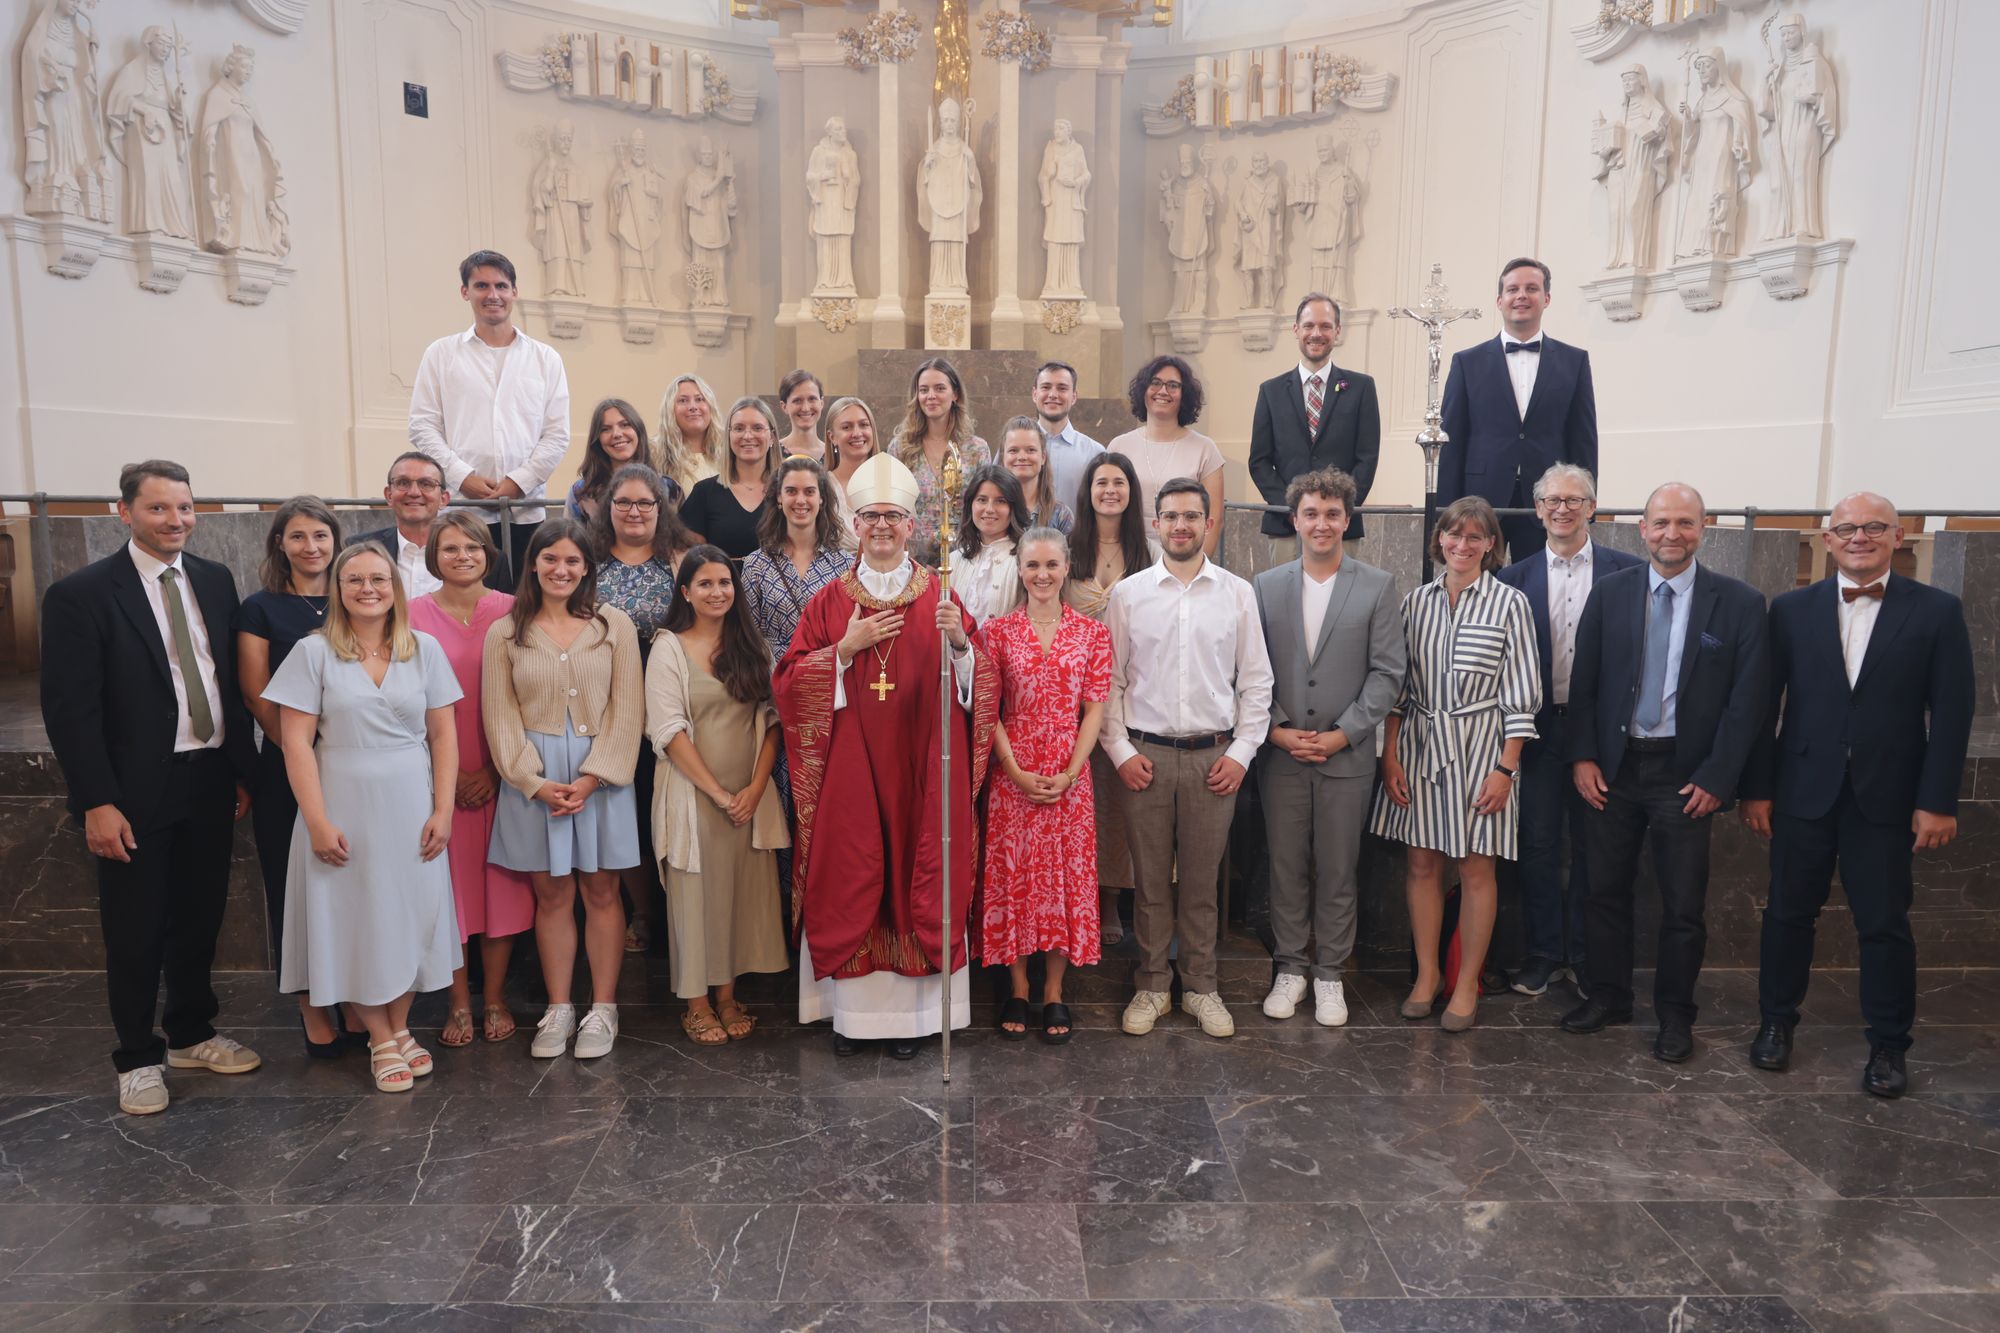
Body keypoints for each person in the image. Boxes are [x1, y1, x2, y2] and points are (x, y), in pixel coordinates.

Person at [43, 460, 262, 1115]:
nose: (176, 521)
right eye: (160, 508)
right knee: (135, 928)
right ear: (125, 512)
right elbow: (70, 711)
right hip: (133, 791)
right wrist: (96, 801)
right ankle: (137, 1056)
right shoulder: (81, 594)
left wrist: (240, 770)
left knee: (199, 917)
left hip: (208, 780)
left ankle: (192, 1032)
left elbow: (224, 681)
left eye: (186, 508)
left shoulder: (215, 580)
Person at [1740, 494, 1974, 1098]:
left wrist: (1938, 800)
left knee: (1884, 925)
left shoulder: (1938, 612)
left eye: (1874, 527)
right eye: (1847, 528)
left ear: (1900, 536)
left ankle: (1891, 1047)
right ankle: (1775, 1024)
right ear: (1826, 539)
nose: (1860, 537)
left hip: (1890, 799)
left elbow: (1951, 714)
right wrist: (1758, 790)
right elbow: (1765, 708)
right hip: (1801, 793)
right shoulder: (1789, 610)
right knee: (1788, 915)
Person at [773, 453, 1000, 1060]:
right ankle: (852, 1018)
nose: (881, 526)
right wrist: (841, 653)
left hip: (921, 767)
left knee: (916, 872)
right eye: (870, 515)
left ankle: (916, 1021)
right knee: (853, 871)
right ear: (854, 523)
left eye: (893, 517)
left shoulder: (941, 596)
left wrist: (960, 645)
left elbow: (983, 685)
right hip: (851, 771)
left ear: (911, 524)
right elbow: (790, 683)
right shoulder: (827, 603)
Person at [1563, 483, 1769, 1064]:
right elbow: (1586, 684)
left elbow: (1747, 704)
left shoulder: (1739, 603)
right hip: (1614, 767)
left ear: (1704, 528)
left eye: (1684, 523)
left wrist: (1717, 777)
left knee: (1682, 905)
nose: (1671, 534)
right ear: (1642, 529)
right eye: (1660, 523)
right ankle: (1608, 996)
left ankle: (1676, 1015)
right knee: (1602, 890)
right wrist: (1582, 756)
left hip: (1687, 775)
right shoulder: (1610, 594)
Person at [264, 543, 463, 1093]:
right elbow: (296, 744)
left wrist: (443, 810)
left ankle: (398, 1025)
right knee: (352, 919)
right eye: (355, 580)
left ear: (396, 588)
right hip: (341, 803)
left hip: (411, 803)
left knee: (411, 915)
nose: (368, 588)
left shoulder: (423, 649)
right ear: (339, 589)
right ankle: (379, 1035)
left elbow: (444, 735)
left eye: (379, 578)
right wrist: (317, 820)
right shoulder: (313, 653)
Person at [1105, 477, 1273, 1040]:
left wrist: (1243, 752)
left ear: (1208, 523)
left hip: (1213, 760)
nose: (1181, 525)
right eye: (1171, 515)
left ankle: (1201, 987)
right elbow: (1110, 682)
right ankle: (1153, 984)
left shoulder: (1235, 593)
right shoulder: (1128, 595)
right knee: (1151, 883)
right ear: (1155, 524)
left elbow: (1256, 681)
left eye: (1192, 516)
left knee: (1201, 883)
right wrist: (1121, 751)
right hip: (1145, 756)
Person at [1371, 497, 1540, 1032]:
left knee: (1475, 866)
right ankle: (1426, 976)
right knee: (1421, 863)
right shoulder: (1415, 602)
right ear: (1438, 540)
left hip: (1481, 749)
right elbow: (1398, 690)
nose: (1461, 545)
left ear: (1491, 544)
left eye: (1474, 537)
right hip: (1421, 745)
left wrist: (1506, 770)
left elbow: (1521, 697)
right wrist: (1390, 755)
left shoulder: (1511, 604)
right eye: (1452, 535)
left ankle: (1466, 980)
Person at [483, 520, 645, 1061]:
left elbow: (629, 709)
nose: (561, 570)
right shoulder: (505, 632)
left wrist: (594, 775)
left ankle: (603, 1008)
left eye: (573, 561)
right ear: (533, 564)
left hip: (601, 775)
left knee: (602, 890)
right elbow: (500, 716)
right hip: (533, 780)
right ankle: (559, 1007)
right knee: (551, 893)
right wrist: (532, 781)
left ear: (587, 569)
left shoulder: (613, 625)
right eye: (551, 559)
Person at [1254, 468, 1406, 1027]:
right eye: (1311, 513)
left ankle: (1330, 975)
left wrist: (1346, 732)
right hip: (1281, 754)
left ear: (1348, 519)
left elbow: (1388, 673)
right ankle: (1291, 968)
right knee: (1286, 865)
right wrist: (1274, 728)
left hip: (1348, 757)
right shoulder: (1265, 587)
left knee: (1339, 868)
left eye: (1333, 514)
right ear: (1294, 520)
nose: (1322, 523)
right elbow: (1250, 668)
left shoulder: (1377, 585)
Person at [1495, 464, 1643, 997]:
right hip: (1534, 732)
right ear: (1537, 510)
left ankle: (1585, 954)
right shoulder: (1512, 579)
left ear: (1591, 508)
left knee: (1593, 846)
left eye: (1574, 500)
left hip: (1603, 736)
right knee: (1536, 845)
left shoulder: (1628, 572)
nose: (1562, 508)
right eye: (1552, 500)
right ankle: (1543, 952)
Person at [648, 546, 790, 1044]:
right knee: (694, 896)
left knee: (737, 895)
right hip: (694, 796)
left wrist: (753, 789)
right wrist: (717, 792)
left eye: (725, 583)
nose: (716, 592)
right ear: (685, 592)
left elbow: (775, 722)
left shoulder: (754, 648)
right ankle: (697, 1003)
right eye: (705, 584)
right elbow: (667, 730)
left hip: (748, 798)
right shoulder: (668, 646)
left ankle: (728, 997)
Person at [981, 528, 1114, 1044]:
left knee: (1064, 881)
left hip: (1068, 774)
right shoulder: (996, 632)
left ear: (1066, 567)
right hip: (1013, 768)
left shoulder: (1091, 634)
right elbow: (987, 709)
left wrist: (1072, 771)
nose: (1042, 575)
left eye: (1051, 565)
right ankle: (1017, 986)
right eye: (1032, 565)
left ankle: (1054, 991)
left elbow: (1095, 708)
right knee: (1015, 881)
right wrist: (1013, 769)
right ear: (1019, 569)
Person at [408, 514, 535, 1046]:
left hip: (505, 768)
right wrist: (453, 775)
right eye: (450, 548)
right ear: (433, 555)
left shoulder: (513, 610)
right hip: (437, 774)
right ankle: (459, 1003)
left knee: (501, 886)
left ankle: (497, 997)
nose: (462, 556)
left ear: (489, 553)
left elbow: (532, 693)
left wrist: (496, 769)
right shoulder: (410, 615)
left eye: (473, 547)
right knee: (450, 891)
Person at [236, 497, 352, 1055]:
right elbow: (257, 693)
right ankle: (312, 1009)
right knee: (294, 888)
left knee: (351, 882)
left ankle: (355, 997)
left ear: (337, 541)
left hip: (354, 767)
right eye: (299, 537)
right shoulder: (261, 608)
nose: (312, 547)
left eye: (321, 536)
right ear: (280, 544)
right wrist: (300, 750)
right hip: (288, 768)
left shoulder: (357, 596)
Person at [408, 250, 572, 586]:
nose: (492, 295)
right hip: (464, 511)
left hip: (526, 510)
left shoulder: (545, 358)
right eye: (481, 285)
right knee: (468, 605)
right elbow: (422, 426)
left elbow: (556, 435)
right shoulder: (441, 354)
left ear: (514, 291)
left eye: (501, 285)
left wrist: (519, 481)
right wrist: (461, 476)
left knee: (528, 607)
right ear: (465, 292)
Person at [587, 463, 693, 953]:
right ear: (608, 509)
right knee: (622, 809)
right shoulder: (588, 561)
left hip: (668, 695)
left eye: (644, 503)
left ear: (660, 508)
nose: (634, 511)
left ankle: (680, 909)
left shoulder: (678, 559)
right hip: (605, 699)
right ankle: (644, 912)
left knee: (664, 800)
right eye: (623, 502)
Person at [1437, 258, 1598, 560]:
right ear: (1500, 300)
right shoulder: (1466, 362)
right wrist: (1448, 511)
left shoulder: (1574, 362)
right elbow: (1452, 440)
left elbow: (1583, 439)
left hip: (1549, 503)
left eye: (1531, 288)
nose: (1521, 295)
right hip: (1480, 501)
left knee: (1540, 590)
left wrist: (1585, 506)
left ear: (1546, 298)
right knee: (1479, 591)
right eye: (1513, 289)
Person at [1063, 452, 1156, 945]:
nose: (1110, 491)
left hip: (1129, 692)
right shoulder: (1068, 548)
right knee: (1087, 799)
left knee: (1120, 803)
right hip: (1073, 698)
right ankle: (1084, 896)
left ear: (1131, 491)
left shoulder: (1149, 553)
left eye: (1119, 482)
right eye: (1101, 483)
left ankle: (1117, 900)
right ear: (1089, 490)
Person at [1248, 295, 1381, 541]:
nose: (1316, 333)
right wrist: (1293, 510)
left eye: (1325, 326)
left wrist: (1339, 511)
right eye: (1309, 325)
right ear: (1296, 329)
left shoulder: (1361, 388)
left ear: (1337, 331)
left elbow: (1367, 458)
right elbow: (1260, 461)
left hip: (1341, 527)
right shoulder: (1271, 391)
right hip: (1286, 525)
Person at [1108, 355, 1225, 556]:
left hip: (1183, 556)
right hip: (1127, 556)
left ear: (1184, 395)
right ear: (1143, 390)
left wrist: (1195, 568)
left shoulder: (1205, 449)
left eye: (1173, 385)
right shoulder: (1119, 446)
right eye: (1155, 383)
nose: (1163, 391)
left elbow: (1213, 520)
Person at [742, 456, 851, 663]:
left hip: (827, 676)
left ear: (821, 498)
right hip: (773, 680)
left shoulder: (844, 565)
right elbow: (748, 636)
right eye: (791, 491)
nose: (800, 500)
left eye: (809, 492)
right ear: (779, 497)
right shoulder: (756, 565)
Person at [889, 357, 991, 567]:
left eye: (939, 388)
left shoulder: (977, 449)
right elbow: (892, 508)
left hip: (966, 558)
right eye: (924, 390)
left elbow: (985, 506)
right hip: (912, 562)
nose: (931, 396)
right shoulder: (900, 448)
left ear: (955, 394)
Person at [682, 396, 779, 561]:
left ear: (772, 437)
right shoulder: (704, 493)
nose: (748, 436)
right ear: (728, 436)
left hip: (778, 586)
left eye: (757, 428)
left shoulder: (789, 492)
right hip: (722, 585)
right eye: (739, 428)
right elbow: (686, 556)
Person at [350, 452, 449, 598]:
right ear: (389, 495)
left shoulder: (470, 556)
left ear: (443, 499)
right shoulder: (357, 549)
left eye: (426, 484)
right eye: (403, 483)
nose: (414, 492)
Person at [566, 398, 664, 523]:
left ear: (638, 430)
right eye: (605, 429)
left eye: (625, 425)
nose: (617, 434)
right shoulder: (580, 494)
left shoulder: (667, 488)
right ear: (597, 440)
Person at [955, 464, 1026, 627]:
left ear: (1013, 508)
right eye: (982, 500)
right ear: (970, 504)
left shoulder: (1025, 560)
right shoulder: (953, 561)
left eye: (1000, 501)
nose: (989, 509)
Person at [1033, 361, 1103, 507]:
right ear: (1035, 394)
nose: (1053, 394)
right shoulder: (1012, 449)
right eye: (1045, 387)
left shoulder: (1094, 453)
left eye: (1062, 388)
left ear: (1074, 397)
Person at [999, 414, 1075, 535]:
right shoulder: (991, 510)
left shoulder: (1060, 515)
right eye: (1013, 450)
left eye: (1031, 450)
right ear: (1003, 457)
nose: (1022, 457)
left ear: (1043, 457)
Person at [655, 373, 724, 497]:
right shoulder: (654, 454)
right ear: (670, 410)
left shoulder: (728, 453)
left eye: (699, 399)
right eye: (683, 401)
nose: (693, 407)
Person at [823, 395, 878, 532]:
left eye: (864, 425)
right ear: (832, 437)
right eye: (847, 427)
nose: (857, 433)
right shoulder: (822, 487)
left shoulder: (892, 480)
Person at [778, 368, 827, 463]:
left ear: (821, 403)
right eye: (797, 401)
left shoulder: (834, 454)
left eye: (812, 399)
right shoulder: (772, 453)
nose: (805, 408)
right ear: (784, 406)